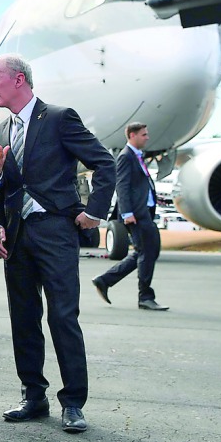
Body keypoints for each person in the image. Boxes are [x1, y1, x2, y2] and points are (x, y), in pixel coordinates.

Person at [0, 53, 115, 434]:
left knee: (62, 317)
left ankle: (73, 402)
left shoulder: (59, 118)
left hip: (56, 230)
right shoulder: (1, 131)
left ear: (19, 79)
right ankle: (33, 396)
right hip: (16, 235)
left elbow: (104, 164)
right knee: (24, 319)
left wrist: (94, 212)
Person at [92, 122, 168, 311]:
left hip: (144, 212)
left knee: (148, 251)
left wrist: (154, 197)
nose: (147, 137)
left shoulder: (137, 156)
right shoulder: (126, 157)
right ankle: (145, 297)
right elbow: (122, 186)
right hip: (135, 215)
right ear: (132, 135)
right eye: (144, 134)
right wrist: (127, 213)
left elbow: (138, 186)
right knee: (147, 252)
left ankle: (105, 280)